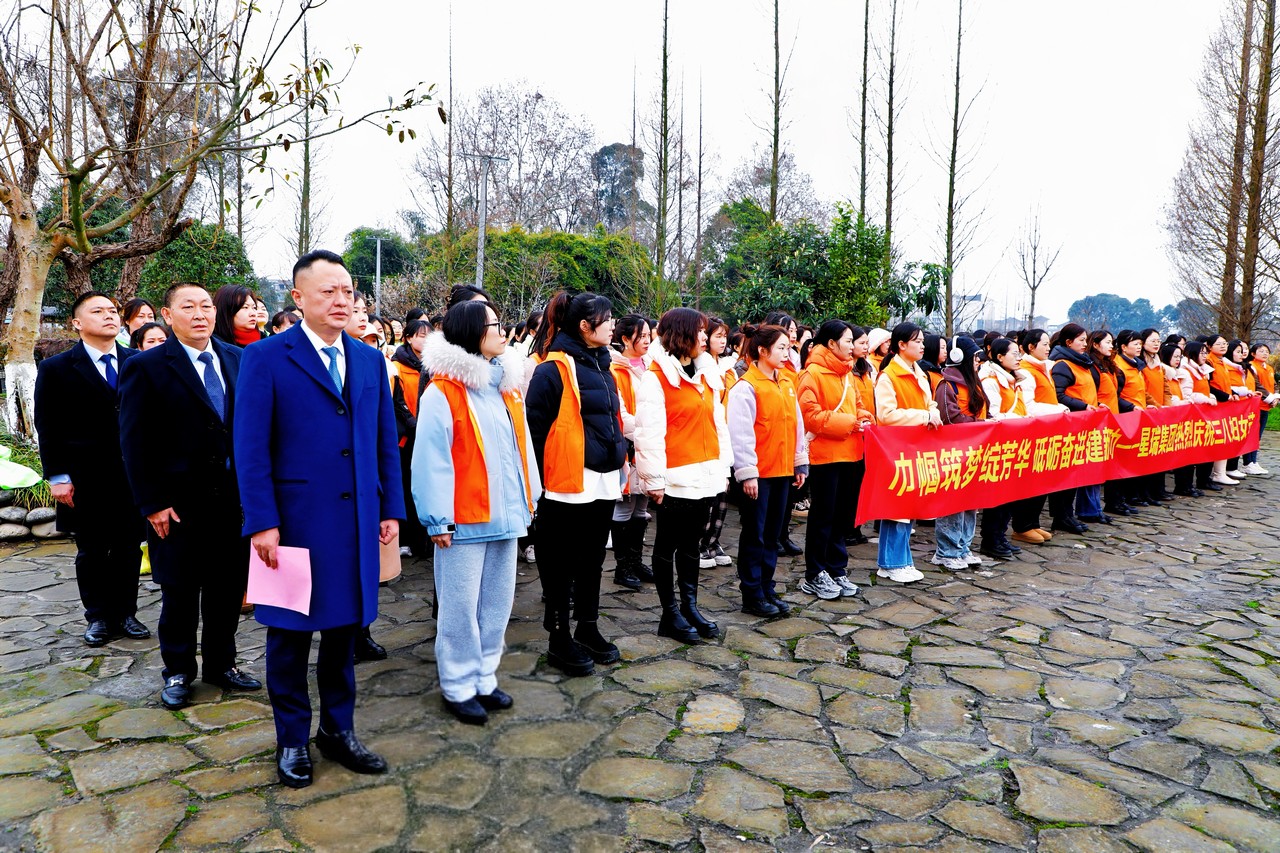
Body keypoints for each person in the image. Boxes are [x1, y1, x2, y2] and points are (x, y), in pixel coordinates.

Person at [234, 250, 403, 789]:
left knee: (343, 634)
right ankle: (290, 739)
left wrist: (391, 510)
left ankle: (338, 730)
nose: (340, 300)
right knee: (288, 638)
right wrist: (262, 520)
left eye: (347, 291)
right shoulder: (267, 357)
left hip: (356, 525)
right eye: (327, 291)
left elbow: (383, 446)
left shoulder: (370, 359)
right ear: (299, 297)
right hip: (294, 524)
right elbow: (251, 448)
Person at [119, 283, 260, 710]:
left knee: (226, 589)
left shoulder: (238, 358)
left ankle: (222, 664)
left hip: (233, 502)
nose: (200, 313)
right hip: (177, 505)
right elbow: (134, 441)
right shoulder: (147, 366)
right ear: (167, 312)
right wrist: (153, 502)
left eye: (205, 306)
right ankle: (178, 670)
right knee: (179, 593)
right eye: (188, 307)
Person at [413, 299, 538, 725]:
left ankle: (485, 676)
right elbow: (430, 460)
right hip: (463, 519)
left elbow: (522, 449)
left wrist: (529, 498)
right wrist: (437, 518)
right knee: (459, 607)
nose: (504, 331)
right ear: (471, 333)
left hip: (505, 515)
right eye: (495, 325)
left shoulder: (504, 387)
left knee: (496, 604)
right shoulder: (443, 391)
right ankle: (458, 684)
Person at [34, 293, 149, 647]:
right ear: (77, 323)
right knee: (93, 550)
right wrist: (57, 476)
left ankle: (127, 613)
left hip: (132, 475)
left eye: (113, 311)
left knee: (130, 547)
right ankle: (98, 616)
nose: (109, 316)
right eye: (97, 311)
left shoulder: (138, 362)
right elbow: (47, 426)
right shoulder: (56, 368)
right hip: (85, 476)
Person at [526, 292, 628, 674]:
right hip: (565, 482)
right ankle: (558, 636)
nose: (613, 324)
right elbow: (534, 433)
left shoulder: (605, 365)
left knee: (593, 558)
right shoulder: (551, 370)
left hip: (602, 479)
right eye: (607, 319)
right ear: (585, 327)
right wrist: (534, 491)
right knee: (559, 563)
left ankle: (588, 626)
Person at [635, 307, 732, 641]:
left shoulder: (707, 374)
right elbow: (649, 433)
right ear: (682, 334)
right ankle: (670, 613)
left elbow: (717, 424)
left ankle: (689, 605)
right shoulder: (656, 377)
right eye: (700, 331)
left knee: (692, 544)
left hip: (704, 473)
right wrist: (654, 479)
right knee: (668, 544)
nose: (705, 338)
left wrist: (724, 466)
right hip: (674, 475)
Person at [729, 324, 809, 615]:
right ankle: (751, 593)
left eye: (789, 347)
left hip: (783, 471)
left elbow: (796, 426)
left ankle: (767, 586)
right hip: (759, 475)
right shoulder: (746, 387)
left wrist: (799, 461)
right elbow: (740, 434)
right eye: (781, 347)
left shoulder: (786, 382)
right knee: (755, 534)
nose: (787, 352)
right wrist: (748, 472)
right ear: (762, 351)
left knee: (773, 533)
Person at [795, 319, 866, 599]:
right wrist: (850, 422)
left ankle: (836, 569)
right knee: (823, 517)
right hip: (825, 456)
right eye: (848, 341)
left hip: (851, 453)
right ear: (832, 344)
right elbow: (809, 416)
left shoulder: (847, 374)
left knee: (841, 516)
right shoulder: (811, 374)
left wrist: (864, 419)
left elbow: (859, 406)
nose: (852, 346)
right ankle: (814, 573)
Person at [872, 323, 938, 583]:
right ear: (902, 344)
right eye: (917, 341)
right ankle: (890, 562)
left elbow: (928, 401)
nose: (923, 345)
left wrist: (933, 412)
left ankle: (902, 559)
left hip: (915, 448)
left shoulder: (918, 372)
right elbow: (886, 415)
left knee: (909, 504)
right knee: (896, 506)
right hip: (896, 449)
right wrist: (924, 416)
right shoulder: (888, 376)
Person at [610, 314, 658, 589]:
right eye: (641, 336)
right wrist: (644, 432)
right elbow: (621, 414)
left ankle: (636, 561)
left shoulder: (650, 367)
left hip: (648, 445)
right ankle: (622, 566)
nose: (647, 341)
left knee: (642, 504)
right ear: (626, 339)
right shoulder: (617, 370)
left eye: (649, 335)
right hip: (630, 445)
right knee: (625, 504)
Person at [933, 336, 989, 566]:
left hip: (976, 452)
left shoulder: (975, 383)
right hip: (954, 454)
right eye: (975, 357)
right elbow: (951, 418)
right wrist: (980, 425)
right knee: (952, 503)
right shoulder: (947, 385)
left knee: (970, 502)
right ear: (960, 357)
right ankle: (946, 551)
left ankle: (963, 547)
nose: (978, 361)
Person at [978, 337, 1035, 555]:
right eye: (1014, 353)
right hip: (1000, 444)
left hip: (1015, 441)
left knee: (1010, 494)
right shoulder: (991, 379)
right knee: (997, 495)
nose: (1019, 357)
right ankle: (991, 540)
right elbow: (993, 414)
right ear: (1000, 357)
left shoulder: (1013, 379)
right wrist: (1018, 421)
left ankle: (1001, 536)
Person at [1012, 329, 1068, 539]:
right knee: (1030, 481)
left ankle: (1033, 522)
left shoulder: (1044, 368)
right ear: (1030, 347)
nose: (1048, 348)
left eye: (1048, 344)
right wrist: (1058, 410)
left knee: (1043, 479)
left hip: (1047, 432)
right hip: (1034, 433)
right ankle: (1022, 526)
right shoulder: (1026, 371)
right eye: (1044, 344)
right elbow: (1028, 406)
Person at [1047, 324, 1096, 532]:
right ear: (1068, 342)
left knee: (1075, 473)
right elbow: (1058, 395)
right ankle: (1061, 515)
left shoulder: (1081, 363)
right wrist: (1083, 406)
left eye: (1086, 340)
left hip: (1083, 425)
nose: (1086, 344)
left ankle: (1068, 514)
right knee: (1064, 474)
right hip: (1069, 427)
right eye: (1081, 340)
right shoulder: (1063, 365)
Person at [699, 316, 736, 569]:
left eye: (725, 336)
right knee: (709, 495)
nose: (722, 341)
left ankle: (713, 541)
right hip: (708, 436)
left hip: (726, 434)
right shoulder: (701, 366)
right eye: (717, 336)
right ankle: (701, 543)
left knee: (723, 493)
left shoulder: (728, 367)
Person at [392, 320, 430, 558]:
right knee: (406, 486)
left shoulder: (431, 365)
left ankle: (421, 540)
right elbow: (398, 402)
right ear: (407, 338)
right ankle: (405, 539)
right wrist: (413, 423)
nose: (425, 340)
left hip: (426, 432)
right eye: (421, 336)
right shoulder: (397, 365)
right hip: (408, 436)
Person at [845, 326, 876, 546]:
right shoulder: (846, 371)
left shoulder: (867, 369)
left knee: (861, 484)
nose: (865, 347)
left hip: (869, 432)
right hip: (851, 431)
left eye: (867, 343)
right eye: (861, 343)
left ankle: (855, 526)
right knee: (850, 483)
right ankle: (847, 528)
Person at [1244, 343, 1276, 474]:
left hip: (1266, 406)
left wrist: (1275, 398)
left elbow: (1272, 385)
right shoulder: (1252, 366)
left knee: (1258, 436)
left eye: (1266, 351)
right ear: (1253, 353)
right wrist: (1269, 398)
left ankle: (1254, 461)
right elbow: (1257, 386)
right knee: (1251, 435)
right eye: (1261, 351)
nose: (1265, 353)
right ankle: (1248, 462)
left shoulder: (1269, 368)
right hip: (1256, 405)